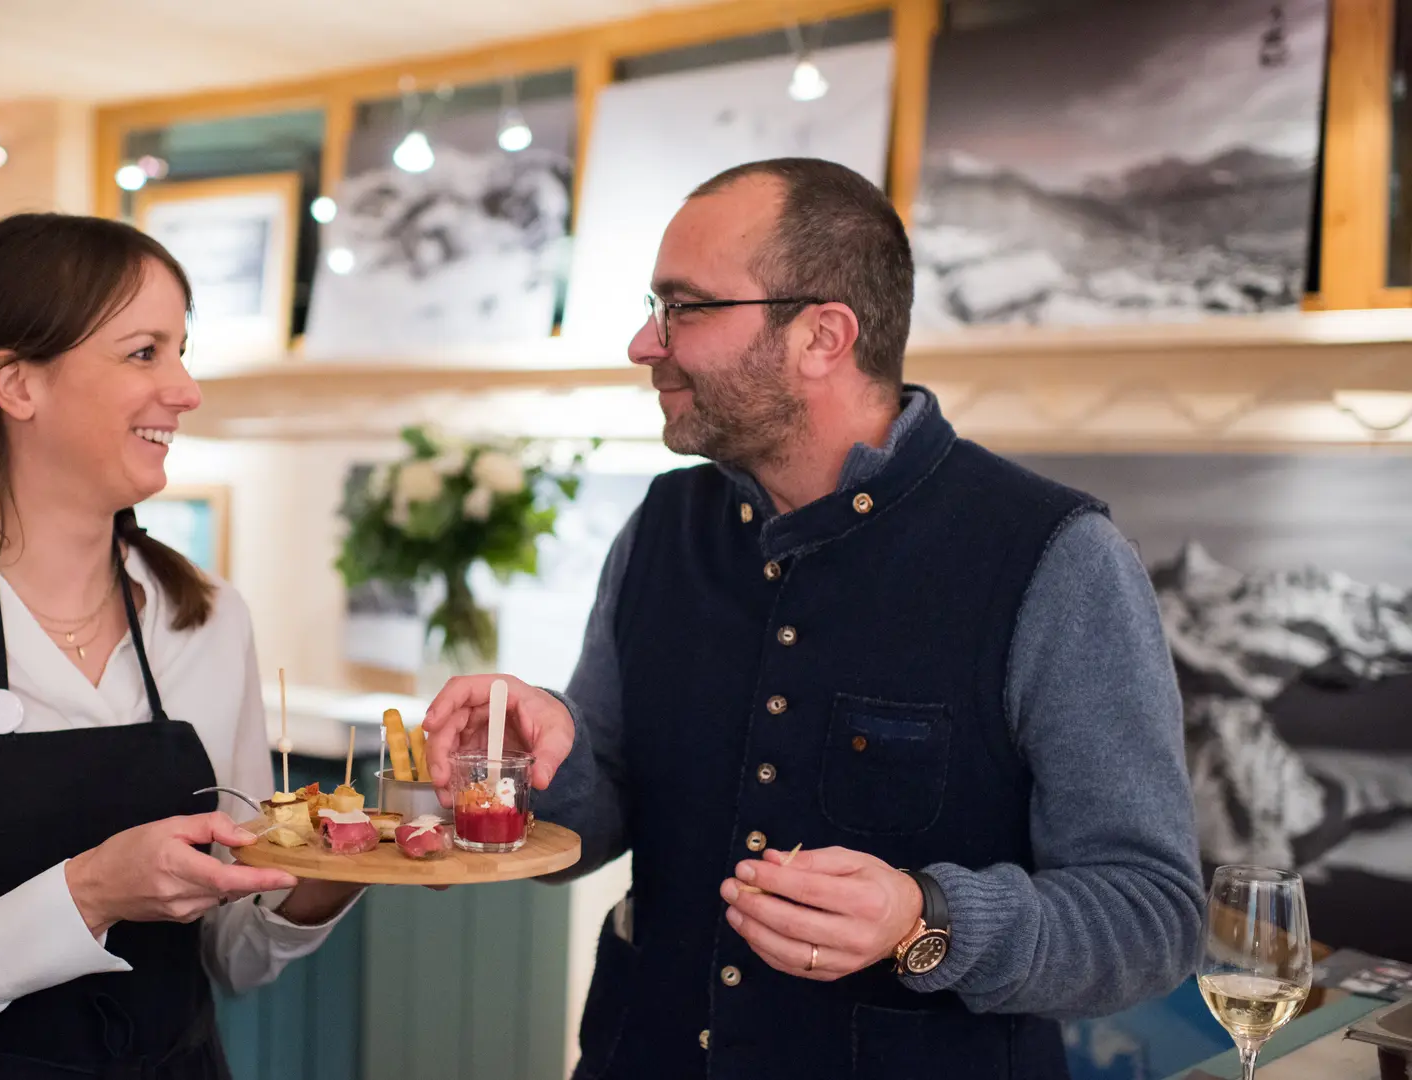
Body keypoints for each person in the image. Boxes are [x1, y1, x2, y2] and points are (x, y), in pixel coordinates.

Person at [422, 159, 1204, 1079]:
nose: (644, 341)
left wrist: (927, 920)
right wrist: (536, 758)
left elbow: (1152, 916)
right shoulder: (660, 529)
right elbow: (604, 809)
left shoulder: (1055, 557)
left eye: (684, 307)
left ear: (823, 336)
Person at [0, 213, 361, 1077]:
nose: (186, 388)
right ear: (17, 385)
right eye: (144, 353)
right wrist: (86, 893)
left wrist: (344, 865)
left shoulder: (207, 621)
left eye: (181, 349)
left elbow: (234, 956)